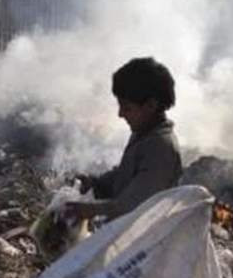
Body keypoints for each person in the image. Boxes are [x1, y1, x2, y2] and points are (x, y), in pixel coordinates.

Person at [66, 57, 183, 222]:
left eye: (127, 107)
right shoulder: (143, 133)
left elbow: (136, 205)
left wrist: (91, 210)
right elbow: (125, 174)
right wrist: (95, 183)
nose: (120, 114)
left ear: (150, 105)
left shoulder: (161, 148)